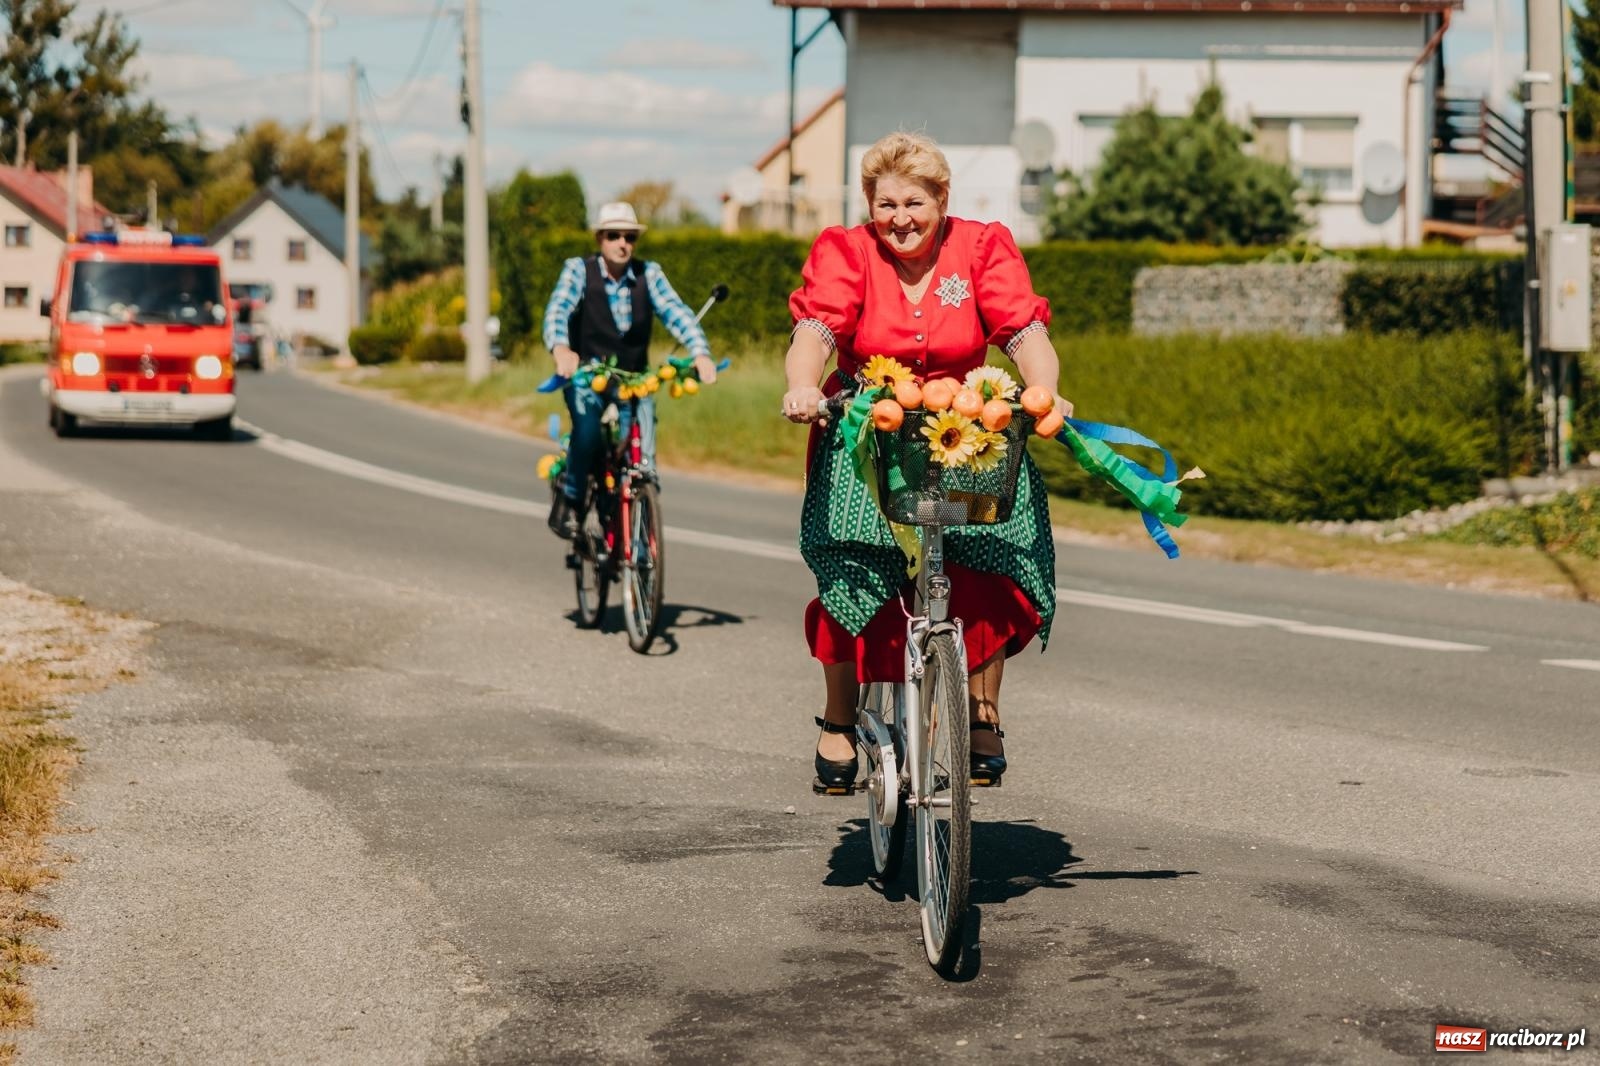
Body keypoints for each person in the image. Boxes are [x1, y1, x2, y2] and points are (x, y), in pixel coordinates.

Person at [781, 132, 1073, 793]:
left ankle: (980, 706)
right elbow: (814, 333)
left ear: (942, 199)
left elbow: (1027, 335)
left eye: (914, 202)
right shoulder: (847, 252)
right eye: (886, 204)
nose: (900, 219)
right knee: (853, 561)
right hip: (866, 432)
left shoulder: (980, 248)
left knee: (997, 546)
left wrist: (1042, 389)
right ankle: (838, 715)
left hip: (966, 422)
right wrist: (803, 384)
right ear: (869, 205)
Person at [542, 202, 717, 538]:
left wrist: (700, 352)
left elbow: (675, 312)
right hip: (586, 378)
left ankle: (639, 542)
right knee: (588, 431)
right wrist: (561, 348)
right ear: (599, 239)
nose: (622, 243)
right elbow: (558, 309)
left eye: (630, 237)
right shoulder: (579, 270)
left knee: (644, 463)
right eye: (613, 235)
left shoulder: (648, 273)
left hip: (634, 382)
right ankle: (574, 497)